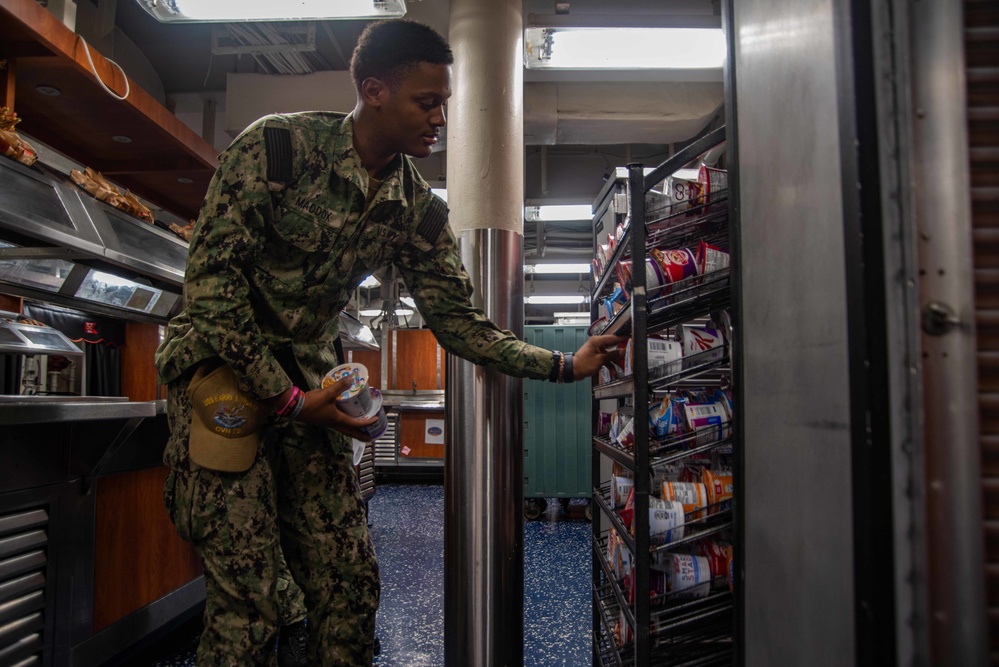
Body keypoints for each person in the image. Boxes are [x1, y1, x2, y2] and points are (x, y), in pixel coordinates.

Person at [155, 18, 624, 667]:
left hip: (312, 390)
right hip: (222, 376)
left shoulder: (412, 206)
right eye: (425, 101)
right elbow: (210, 287)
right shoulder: (278, 150)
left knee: (348, 592)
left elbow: (461, 323)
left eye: (444, 104)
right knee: (253, 604)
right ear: (374, 90)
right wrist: (285, 398)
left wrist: (564, 362)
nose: (438, 118)